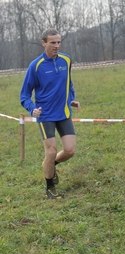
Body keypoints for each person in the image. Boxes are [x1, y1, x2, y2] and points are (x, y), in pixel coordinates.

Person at [20, 28, 81, 199]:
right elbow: (24, 94)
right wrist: (32, 108)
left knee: (69, 150)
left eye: (59, 42)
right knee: (52, 151)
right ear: (44, 43)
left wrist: (71, 99)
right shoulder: (36, 66)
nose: (56, 45)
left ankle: (50, 165)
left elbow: (69, 84)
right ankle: (50, 187)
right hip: (45, 115)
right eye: (52, 42)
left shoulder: (67, 60)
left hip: (64, 113)